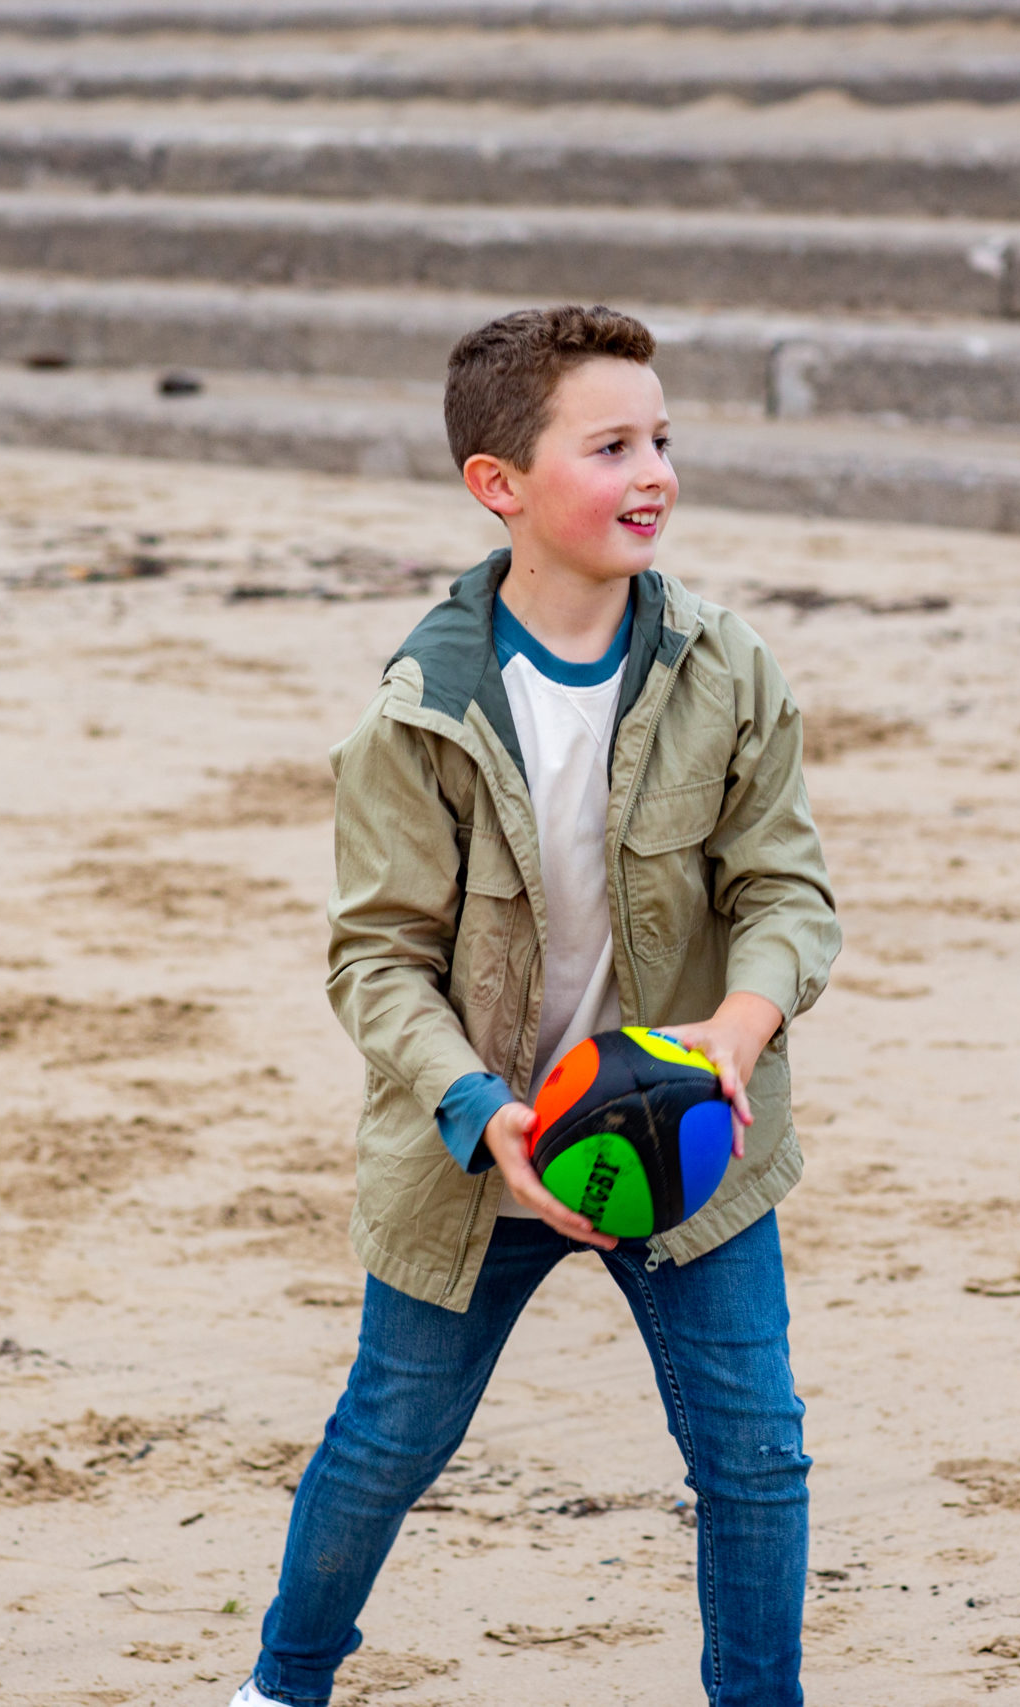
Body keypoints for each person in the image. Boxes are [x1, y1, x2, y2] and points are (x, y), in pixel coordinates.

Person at [227, 304, 840, 1707]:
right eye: (612, 444)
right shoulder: (417, 713)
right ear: (498, 486)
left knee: (756, 1453)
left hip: (696, 1141)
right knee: (385, 1439)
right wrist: (480, 1112)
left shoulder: (728, 670)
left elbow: (787, 897)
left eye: (664, 439)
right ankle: (283, 1686)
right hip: (482, 1152)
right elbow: (374, 960)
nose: (655, 473)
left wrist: (732, 1038)